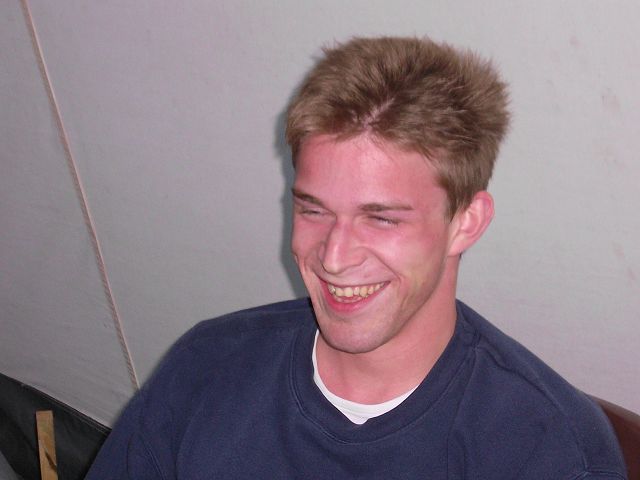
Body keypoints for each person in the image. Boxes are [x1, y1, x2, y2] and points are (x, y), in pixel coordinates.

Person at [86, 36, 626, 479]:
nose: (334, 258)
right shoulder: (207, 366)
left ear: (466, 222)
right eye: (314, 210)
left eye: (381, 218)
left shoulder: (547, 451)